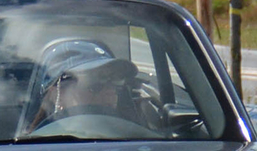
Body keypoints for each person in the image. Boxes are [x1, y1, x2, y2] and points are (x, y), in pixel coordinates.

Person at [20, 37, 161, 136]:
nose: (109, 91)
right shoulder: (30, 150)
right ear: (58, 93)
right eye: (94, 84)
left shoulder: (140, 142)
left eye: (114, 82)